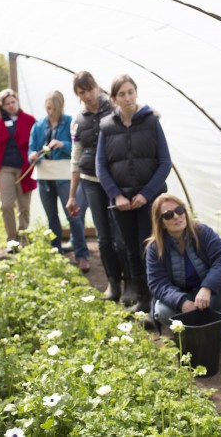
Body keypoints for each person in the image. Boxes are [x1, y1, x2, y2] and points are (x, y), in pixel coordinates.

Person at [96, 74, 172, 313]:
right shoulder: (107, 126)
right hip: (122, 203)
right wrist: (116, 195)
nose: (127, 97)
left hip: (149, 200)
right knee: (130, 250)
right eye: (122, 94)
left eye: (131, 92)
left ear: (136, 93)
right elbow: (101, 166)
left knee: (149, 248)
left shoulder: (151, 121)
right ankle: (142, 300)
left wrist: (147, 194)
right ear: (114, 99)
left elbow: (165, 162)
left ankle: (157, 301)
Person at [66, 71, 130, 301]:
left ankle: (130, 284)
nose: (88, 95)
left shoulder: (114, 108)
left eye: (90, 89)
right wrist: (72, 194)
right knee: (103, 238)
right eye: (81, 92)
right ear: (77, 94)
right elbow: (76, 156)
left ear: (97, 86)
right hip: (91, 182)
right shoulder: (79, 120)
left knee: (121, 237)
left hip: (115, 183)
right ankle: (113, 284)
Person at [145, 194, 221, 328]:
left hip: (208, 296)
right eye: (168, 215)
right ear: (160, 223)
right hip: (181, 303)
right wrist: (182, 302)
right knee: (161, 311)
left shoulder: (202, 232)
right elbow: (158, 283)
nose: (176, 216)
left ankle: (216, 330)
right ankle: (190, 334)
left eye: (179, 210)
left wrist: (207, 287)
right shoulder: (155, 248)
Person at [29, 91, 90, 271]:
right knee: (51, 217)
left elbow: (79, 147)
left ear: (60, 107)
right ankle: (56, 251)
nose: (50, 112)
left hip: (64, 176)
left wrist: (63, 145)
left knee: (73, 215)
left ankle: (82, 255)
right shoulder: (39, 126)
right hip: (44, 176)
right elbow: (31, 149)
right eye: (48, 108)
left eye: (54, 109)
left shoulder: (70, 122)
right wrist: (33, 155)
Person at [0, 88, 36, 252]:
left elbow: (35, 140)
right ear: (2, 106)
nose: (10, 106)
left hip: (24, 169)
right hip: (5, 168)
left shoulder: (29, 120)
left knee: (24, 206)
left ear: (17, 101)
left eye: (12, 102)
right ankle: (11, 239)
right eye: (7, 104)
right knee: (6, 205)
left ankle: (23, 237)